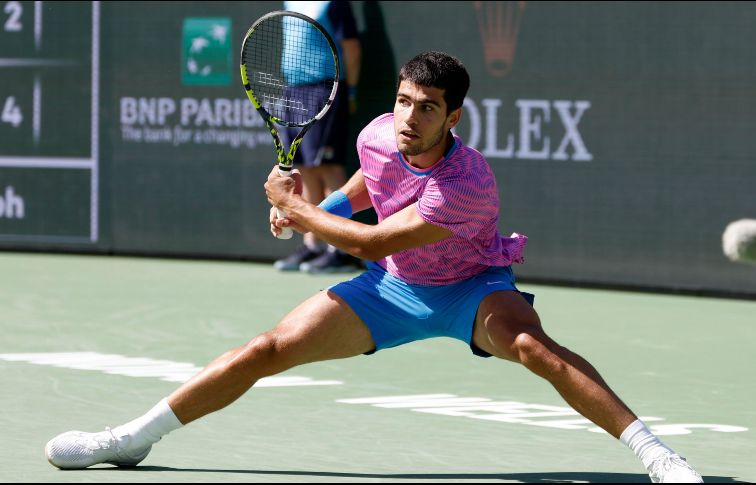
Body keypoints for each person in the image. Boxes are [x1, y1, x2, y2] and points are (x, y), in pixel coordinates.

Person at [45, 52, 703, 483]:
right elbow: (367, 188)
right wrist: (319, 202)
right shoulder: (379, 136)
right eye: (403, 101)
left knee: (535, 347)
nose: (408, 117)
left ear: (454, 115)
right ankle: (131, 436)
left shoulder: (467, 181)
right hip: (393, 291)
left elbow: (375, 240)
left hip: (469, 289)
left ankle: (654, 453)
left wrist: (294, 211)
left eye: (426, 107)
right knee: (266, 347)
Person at [273, 0, 363, 274]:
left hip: (326, 87)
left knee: (329, 167)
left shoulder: (335, 3)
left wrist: (351, 90)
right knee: (305, 168)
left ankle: (342, 249)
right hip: (293, 89)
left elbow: (350, 46)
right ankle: (314, 245)